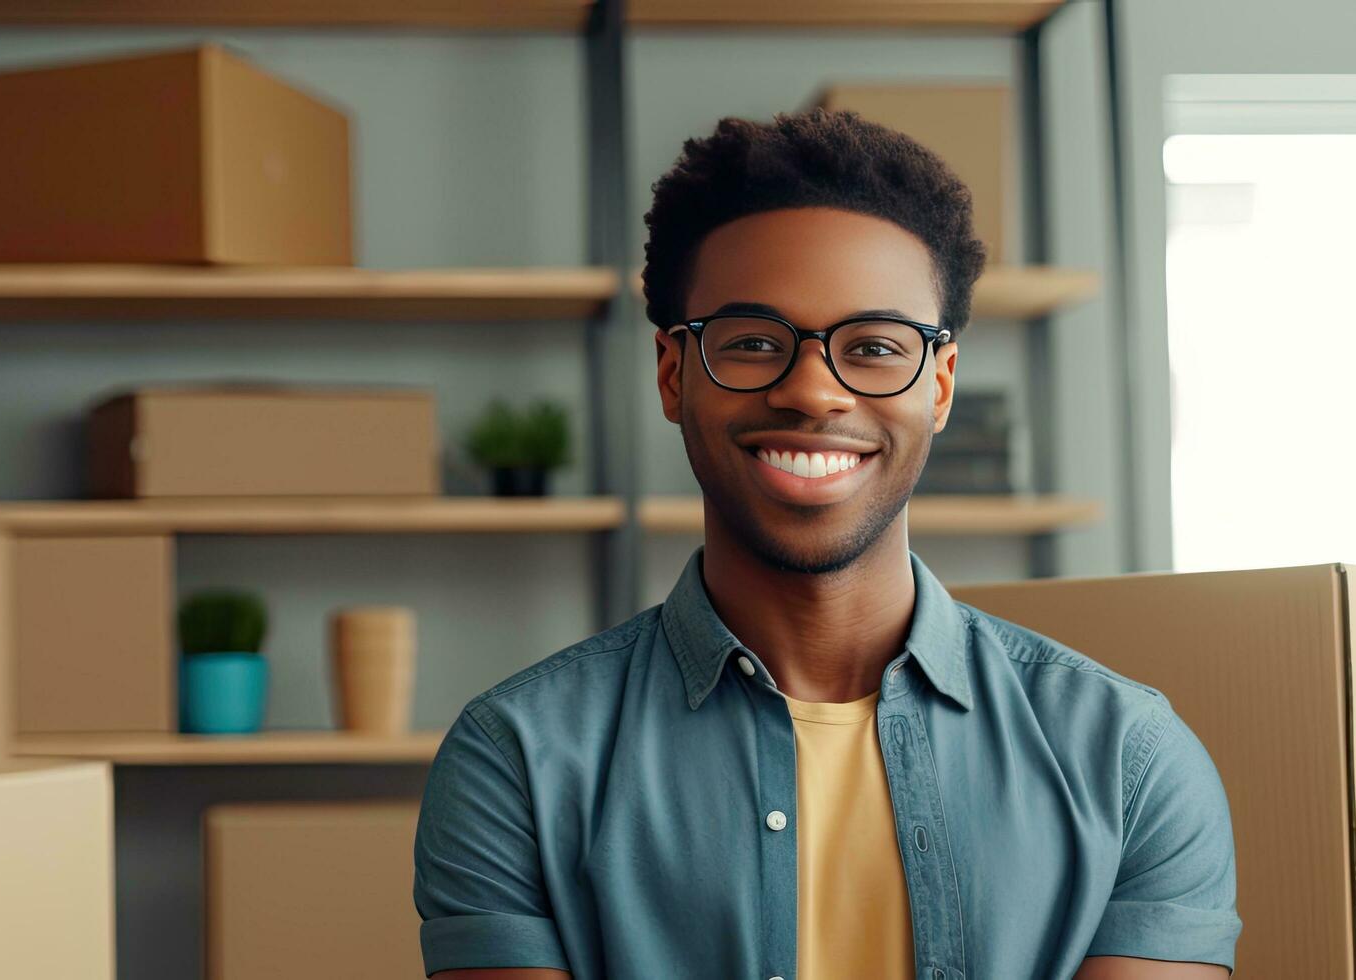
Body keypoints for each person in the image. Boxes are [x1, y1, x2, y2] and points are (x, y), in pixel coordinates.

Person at [412, 108, 1240, 980]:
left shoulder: (1128, 762)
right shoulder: (516, 761)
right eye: (754, 342)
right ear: (672, 373)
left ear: (941, 385)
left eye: (876, 347)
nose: (812, 391)